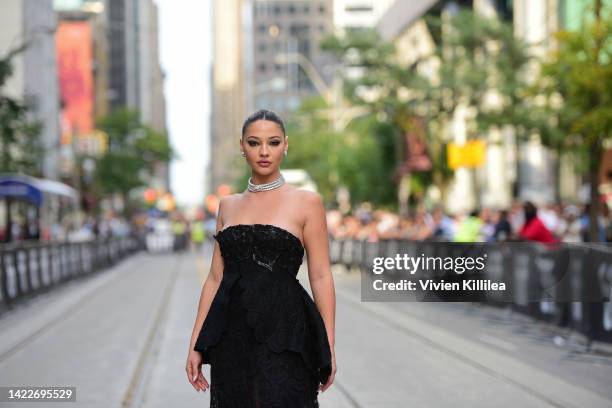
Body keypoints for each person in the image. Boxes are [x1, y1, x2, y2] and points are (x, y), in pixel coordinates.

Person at [186, 109, 337, 406]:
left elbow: (320, 275)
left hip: (286, 334)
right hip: (231, 335)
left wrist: (327, 343)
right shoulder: (227, 206)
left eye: (274, 142)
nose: (264, 151)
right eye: (254, 143)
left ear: (286, 145)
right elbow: (216, 278)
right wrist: (195, 344)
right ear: (242, 146)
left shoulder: (308, 202)